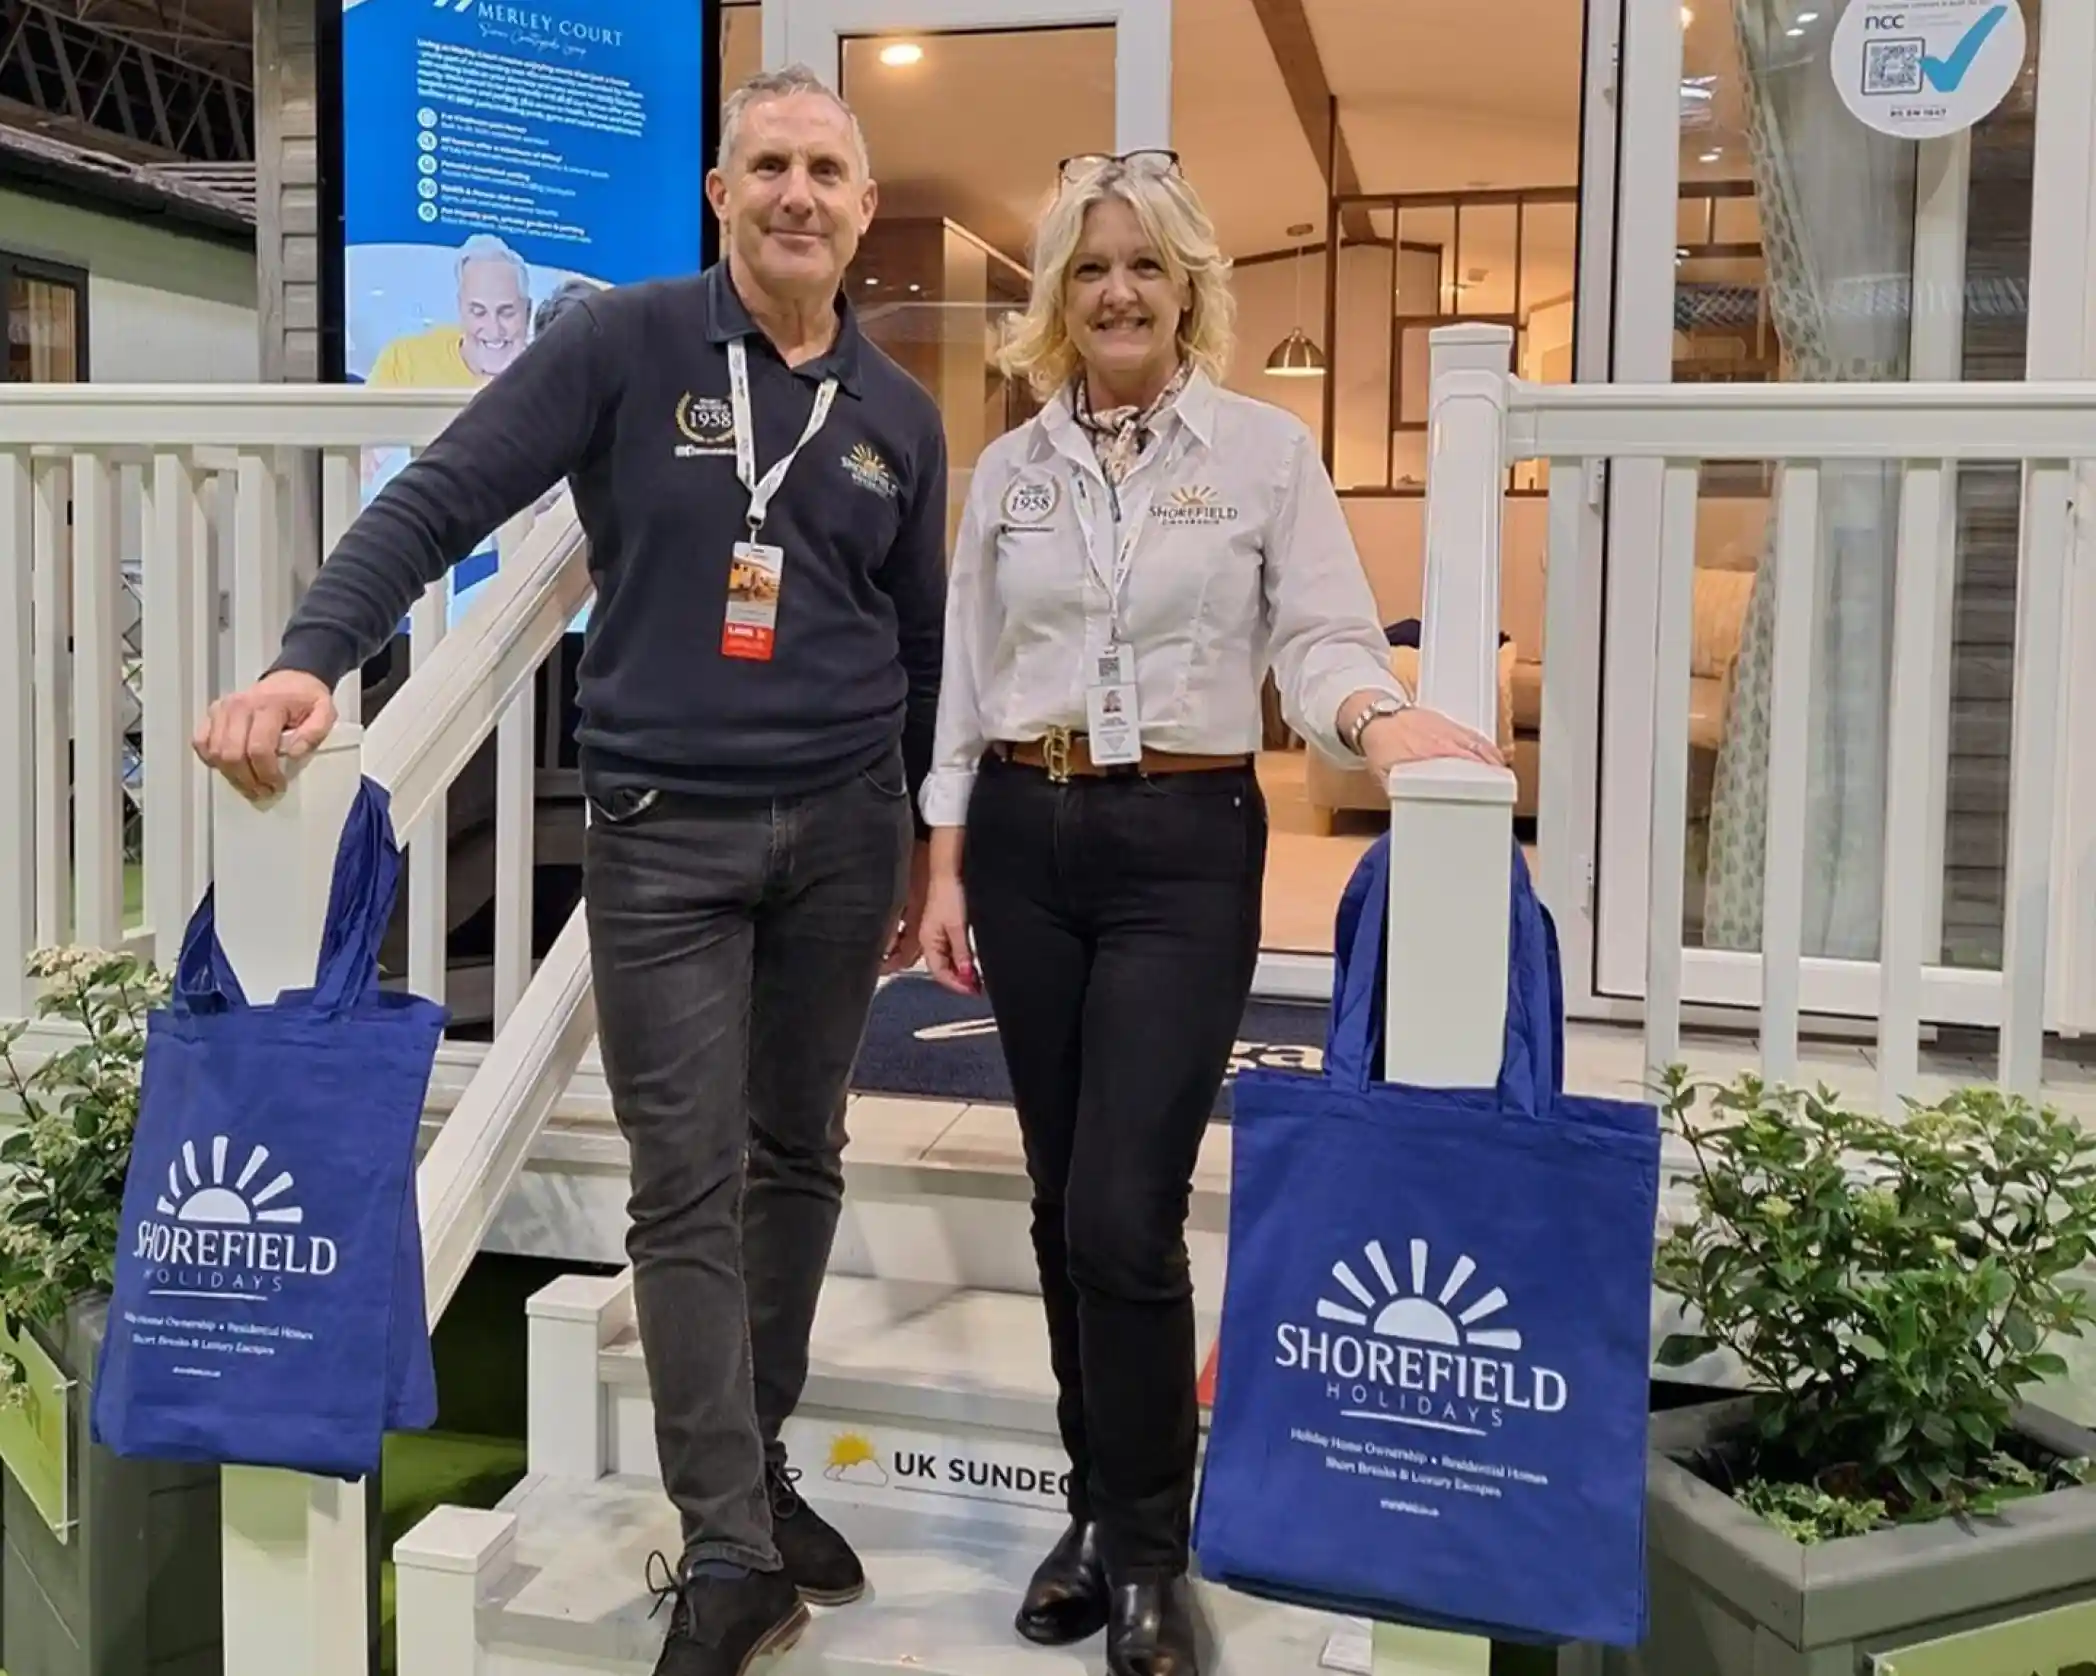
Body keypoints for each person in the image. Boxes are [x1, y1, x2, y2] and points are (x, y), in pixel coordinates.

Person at [192, 65, 946, 1676]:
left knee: (798, 1154)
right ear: (721, 196)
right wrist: (317, 657)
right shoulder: (624, 346)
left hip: (845, 832)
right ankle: (734, 1547)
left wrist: (928, 842)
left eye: (827, 169)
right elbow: (445, 491)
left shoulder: (900, 415)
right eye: (770, 166)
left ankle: (755, 1462)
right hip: (665, 832)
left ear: (863, 209)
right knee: (683, 1183)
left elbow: (925, 644)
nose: (799, 192)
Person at [915, 150, 1499, 1676]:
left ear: (1188, 291)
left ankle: (1153, 1549)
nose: (1118, 291)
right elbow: (965, 684)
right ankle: (1093, 1512)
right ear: (1057, 298)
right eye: (1091, 268)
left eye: (1146, 267)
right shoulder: (1017, 472)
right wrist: (943, 861)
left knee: (1124, 1202)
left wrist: (1378, 719)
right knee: (1058, 1202)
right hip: (1029, 838)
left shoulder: (1260, 452)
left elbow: (1318, 633)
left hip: (1185, 839)